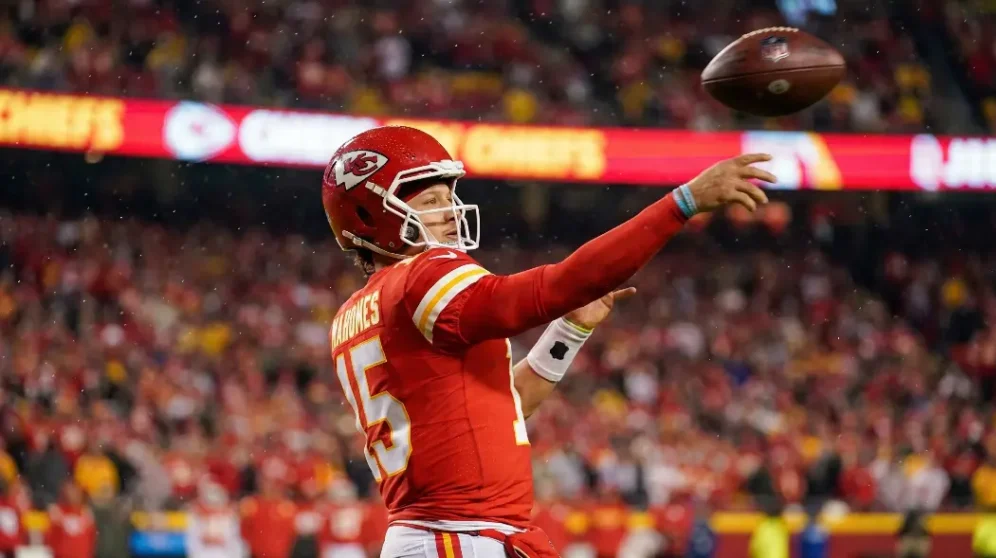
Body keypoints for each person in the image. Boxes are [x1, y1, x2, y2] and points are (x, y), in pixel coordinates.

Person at [321, 126, 775, 558]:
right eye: (431, 200)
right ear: (370, 215)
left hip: (441, 535)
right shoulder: (419, 278)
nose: (450, 212)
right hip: (458, 538)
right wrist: (683, 203)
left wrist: (568, 331)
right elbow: (556, 287)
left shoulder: (354, 314)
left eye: (449, 197)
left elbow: (501, 408)